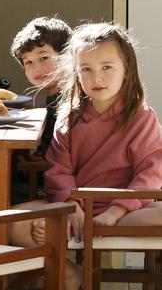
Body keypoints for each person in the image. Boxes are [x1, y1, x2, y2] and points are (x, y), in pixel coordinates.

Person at [9, 23, 162, 290]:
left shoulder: (142, 116)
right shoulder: (69, 117)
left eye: (107, 67)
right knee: (8, 223)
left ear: (126, 70)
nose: (96, 78)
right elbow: (58, 170)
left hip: (125, 211)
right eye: (86, 70)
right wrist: (71, 206)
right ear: (76, 73)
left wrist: (116, 211)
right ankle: (69, 274)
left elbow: (150, 173)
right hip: (75, 212)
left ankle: (97, 227)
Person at [9, 16, 72, 203]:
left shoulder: (72, 100)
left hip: (67, 183)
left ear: (67, 55)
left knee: (8, 186)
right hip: (50, 169)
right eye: (28, 62)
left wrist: (46, 162)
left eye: (44, 57)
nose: (37, 68)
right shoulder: (54, 97)